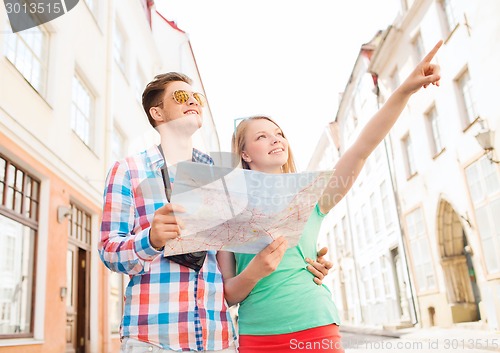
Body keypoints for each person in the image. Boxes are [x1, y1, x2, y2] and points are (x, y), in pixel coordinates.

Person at [217, 40, 443, 353]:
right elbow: (227, 295)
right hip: (257, 336)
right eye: (261, 136)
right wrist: (256, 271)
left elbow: (362, 148)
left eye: (279, 133)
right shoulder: (228, 210)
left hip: (316, 327)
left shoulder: (311, 194)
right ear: (244, 153)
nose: (275, 139)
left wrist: (404, 89)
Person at [98, 72, 331, 353]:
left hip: (217, 338)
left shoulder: (224, 176)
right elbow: (109, 252)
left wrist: (306, 260)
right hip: (154, 338)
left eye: (197, 97)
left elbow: (248, 242)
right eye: (181, 97)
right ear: (157, 112)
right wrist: (151, 239)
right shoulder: (127, 171)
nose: (193, 102)